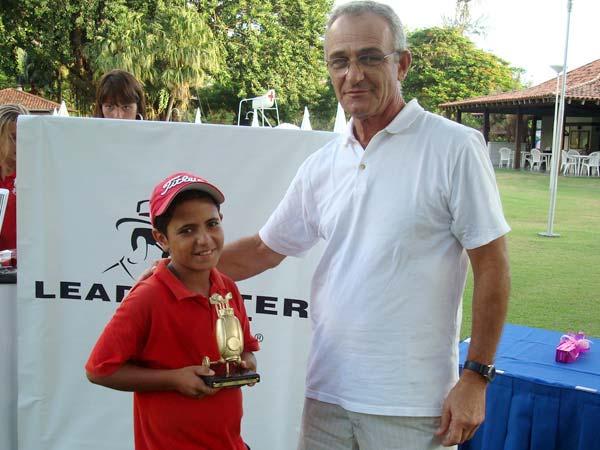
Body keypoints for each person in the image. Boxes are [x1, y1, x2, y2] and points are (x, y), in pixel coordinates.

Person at [216, 2, 511, 449]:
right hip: (327, 398)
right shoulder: (322, 165)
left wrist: (477, 376)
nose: (353, 74)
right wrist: (171, 273)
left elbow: (492, 266)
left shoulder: (455, 148)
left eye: (370, 57)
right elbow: (263, 249)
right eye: (340, 60)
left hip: (413, 408)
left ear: (402, 64)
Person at [86, 172, 259, 450]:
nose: (204, 239)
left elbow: (247, 348)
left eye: (211, 224)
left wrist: (247, 363)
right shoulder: (148, 297)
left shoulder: (226, 287)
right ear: (161, 238)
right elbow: (99, 370)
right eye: (187, 230)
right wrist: (173, 379)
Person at [0, 104, 29, 250]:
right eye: (13, 137)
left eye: (24, 137)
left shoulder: (34, 175)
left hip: (25, 265)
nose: (20, 144)